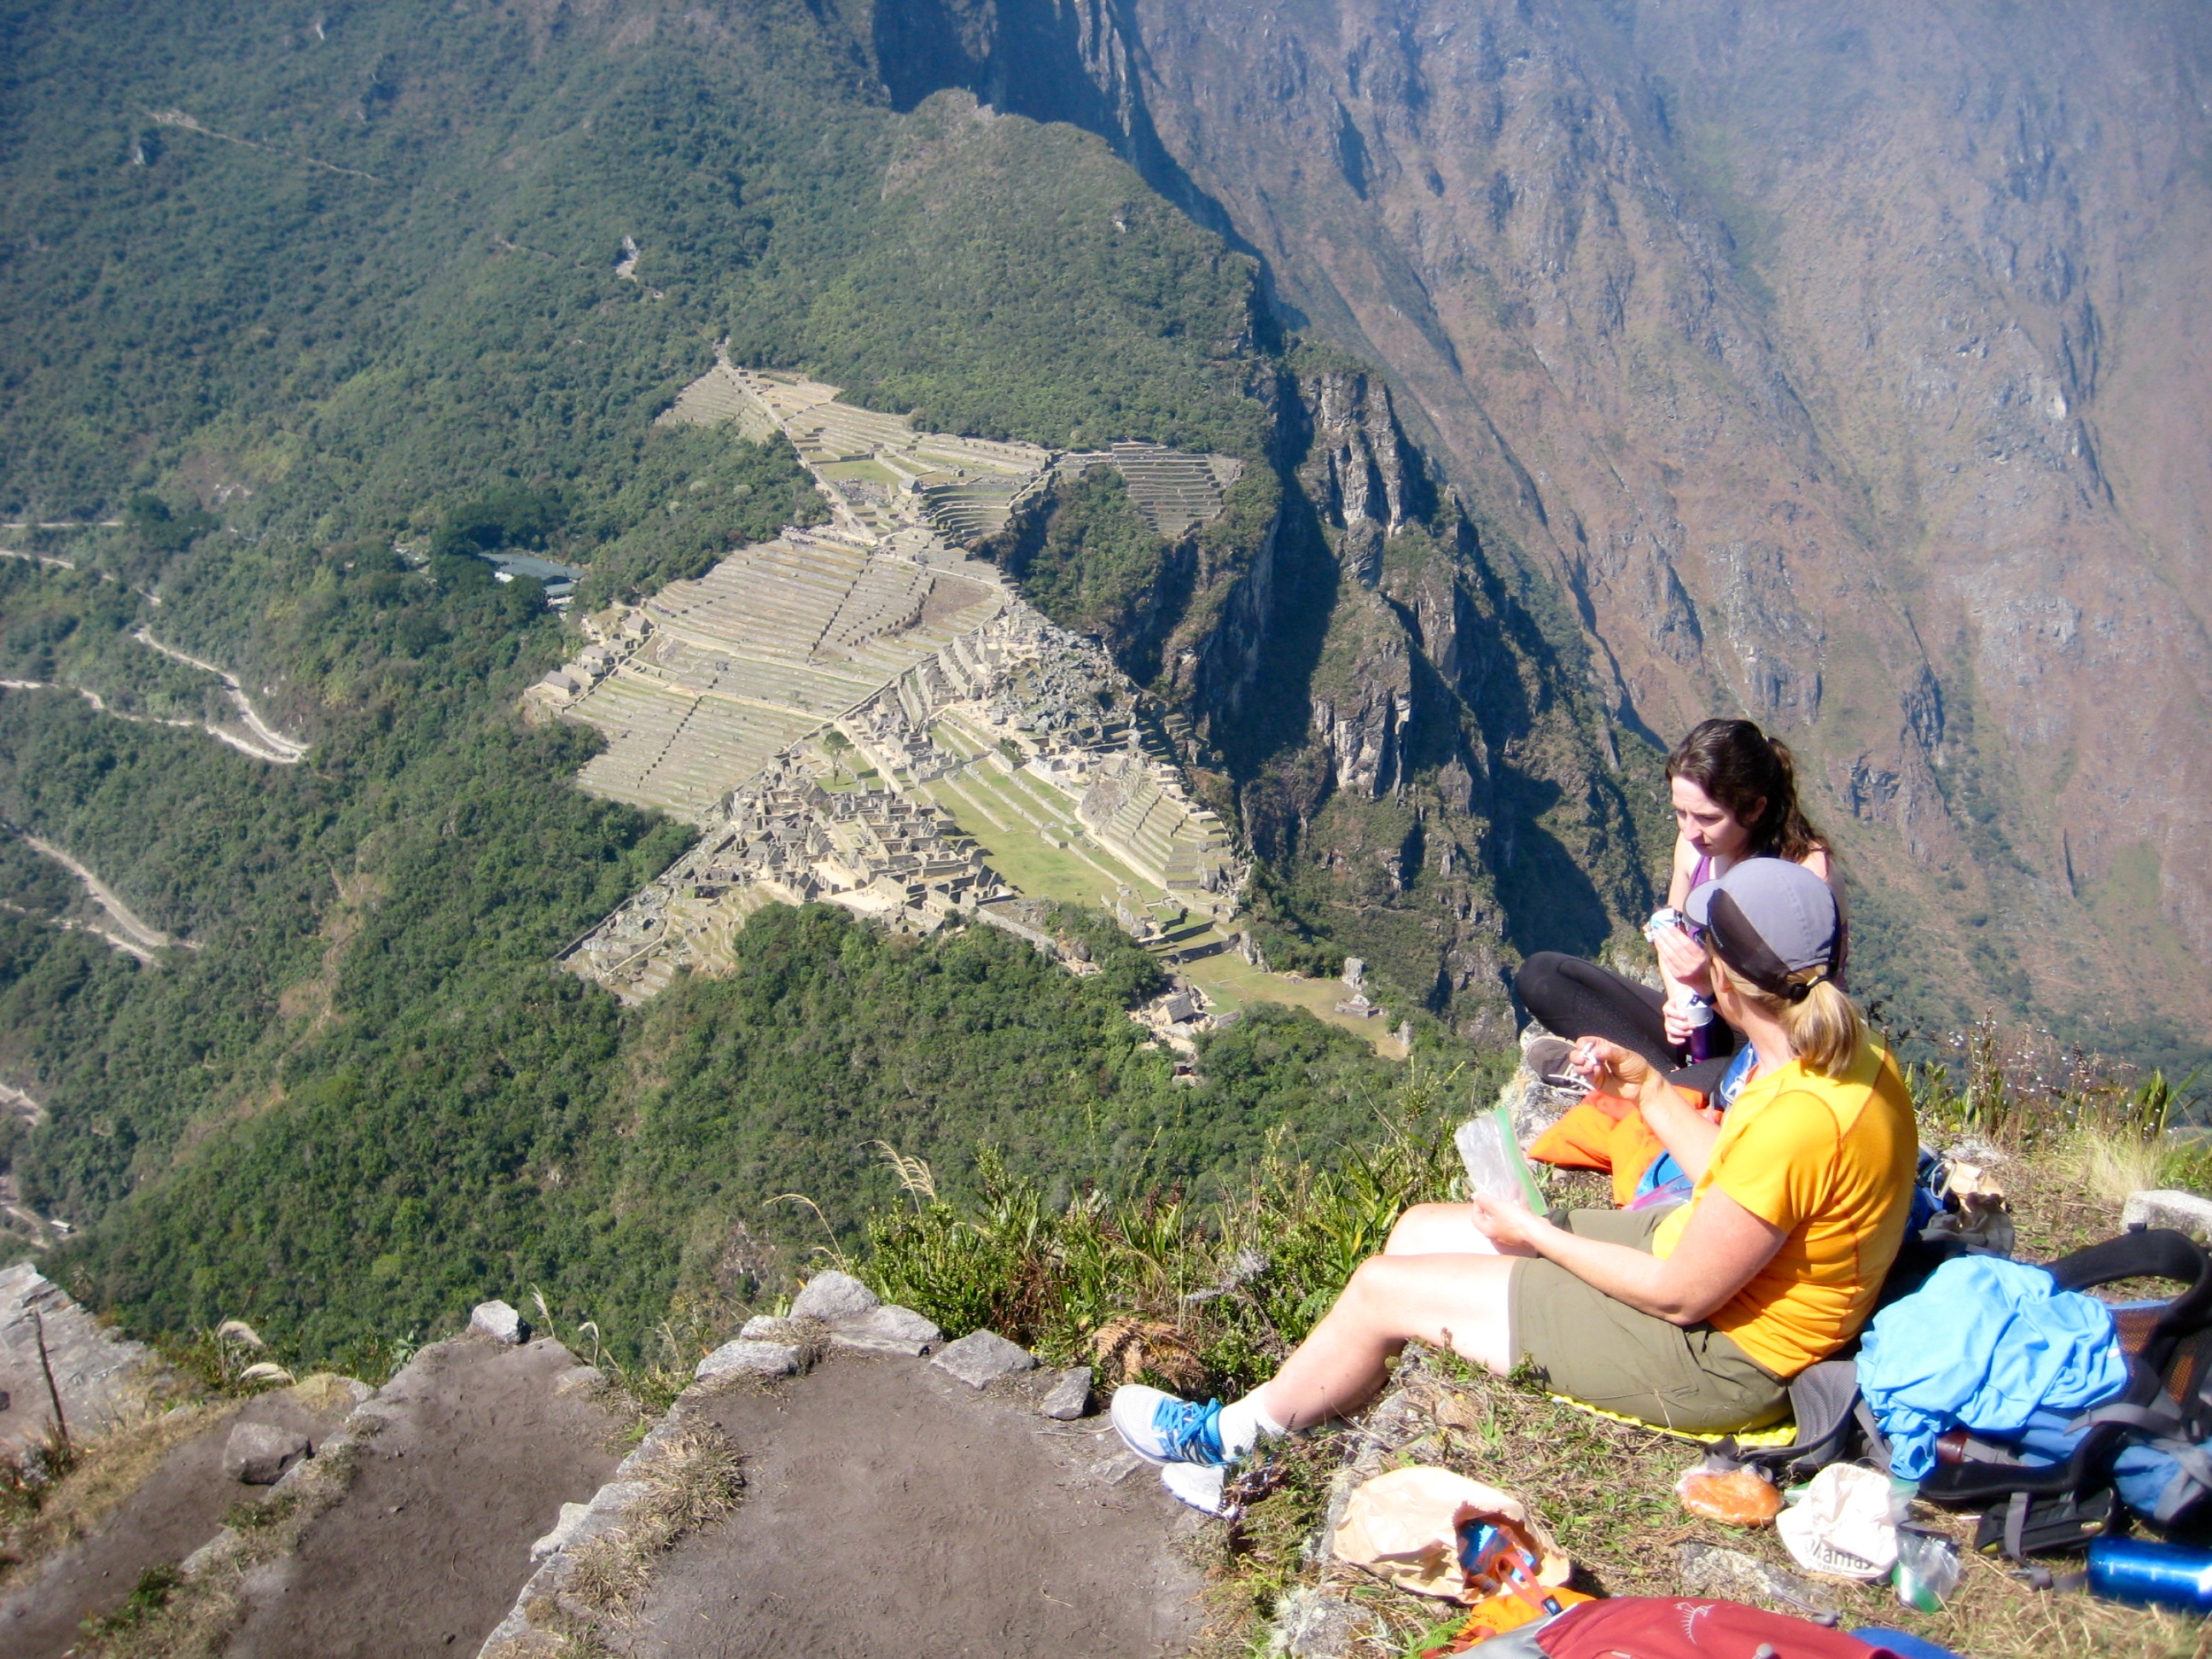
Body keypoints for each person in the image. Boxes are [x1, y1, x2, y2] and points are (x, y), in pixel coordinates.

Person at [1110, 859, 1915, 1514]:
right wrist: (1651, 1093)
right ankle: (1306, 1422)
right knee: (1425, 1230)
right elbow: (1742, 1183)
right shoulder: (1845, 1058)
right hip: (1723, 1280)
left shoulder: (1802, 1114)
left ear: (1728, 983)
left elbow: (1679, 1296)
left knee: (1381, 1288)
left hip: (1724, 1359)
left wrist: (1537, 1238)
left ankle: (1225, 1448)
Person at [1516, 718, 1842, 1094]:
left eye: (1708, 818)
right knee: (1542, 975)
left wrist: (1707, 985)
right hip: (1706, 1019)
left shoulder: (1802, 873)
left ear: (1755, 809)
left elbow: (1797, 1018)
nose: (1689, 830)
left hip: (1770, 1047)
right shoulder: (1693, 847)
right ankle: (1659, 1081)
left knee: (1696, 1087)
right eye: (1680, 812)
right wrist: (1679, 1003)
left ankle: (1646, 1087)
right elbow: (1672, 930)